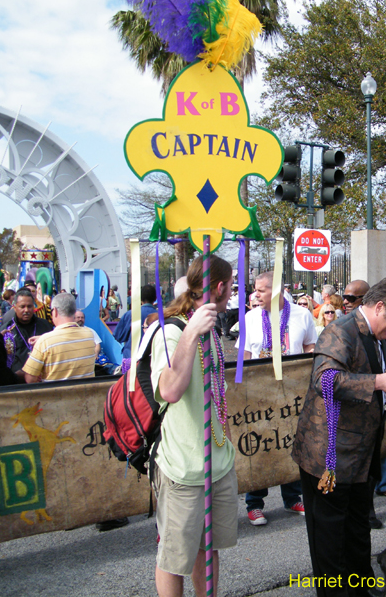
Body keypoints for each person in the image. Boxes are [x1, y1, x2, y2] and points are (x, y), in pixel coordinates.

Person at [292, 277, 386, 596]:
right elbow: (324, 381)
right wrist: (378, 381)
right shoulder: (340, 330)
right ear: (380, 307)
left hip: (361, 456)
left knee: (357, 532)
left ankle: (362, 589)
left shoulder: (379, 333)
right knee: (330, 543)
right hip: (330, 456)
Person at [149, 255, 236, 597]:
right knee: (175, 558)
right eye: (231, 286)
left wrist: (227, 445)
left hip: (217, 464)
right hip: (183, 468)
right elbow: (170, 390)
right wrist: (190, 334)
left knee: (208, 546)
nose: (233, 293)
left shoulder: (212, 329)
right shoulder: (171, 331)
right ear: (218, 287)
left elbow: (217, 394)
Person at [240, 272, 317, 525]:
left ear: (277, 290)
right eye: (254, 290)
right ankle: (255, 503)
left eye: (261, 290)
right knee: (259, 445)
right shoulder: (251, 317)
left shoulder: (302, 315)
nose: (255, 295)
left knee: (290, 442)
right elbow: (246, 353)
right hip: (260, 395)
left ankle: (292, 496)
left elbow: (309, 348)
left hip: (292, 392)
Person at [22, 293, 96, 383]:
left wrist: (44, 340)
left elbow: (30, 379)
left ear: (55, 311)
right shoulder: (89, 335)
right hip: (85, 394)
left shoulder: (44, 342)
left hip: (55, 395)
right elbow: (69, 339)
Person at [1, 289, 54, 382]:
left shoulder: (45, 326)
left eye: (29, 306)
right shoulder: (6, 329)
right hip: (16, 382)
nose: (26, 310)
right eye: (22, 306)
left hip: (42, 381)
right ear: (14, 307)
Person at [113, 285, 159, 359]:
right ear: (155, 298)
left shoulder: (129, 315)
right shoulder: (161, 317)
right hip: (153, 358)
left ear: (140, 298)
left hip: (131, 358)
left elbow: (118, 336)